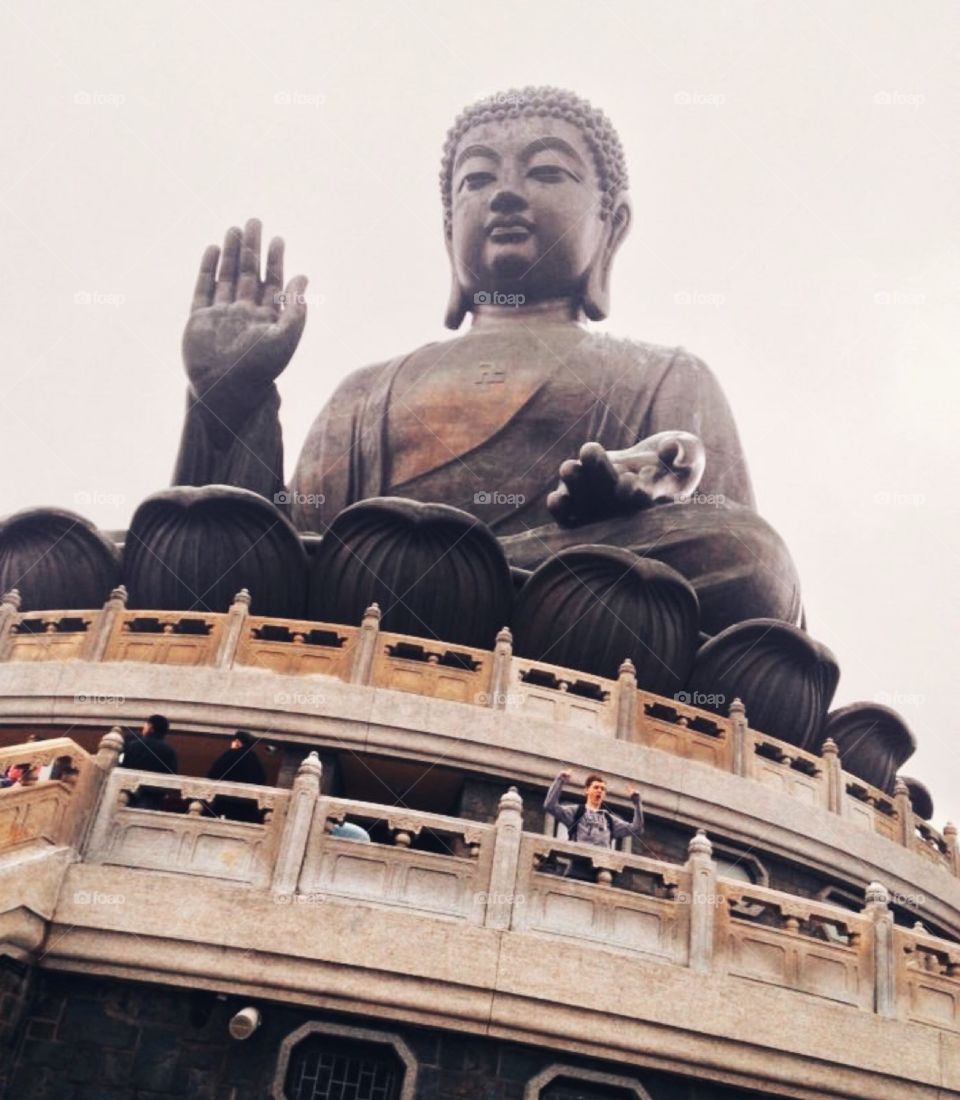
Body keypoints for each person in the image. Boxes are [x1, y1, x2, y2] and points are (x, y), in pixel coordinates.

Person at [172, 86, 801, 636]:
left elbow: (737, 569)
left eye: (547, 172)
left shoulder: (665, 372)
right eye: (477, 179)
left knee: (753, 554)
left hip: (569, 606)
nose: (504, 194)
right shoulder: (365, 393)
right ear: (450, 230)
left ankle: (472, 572)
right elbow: (268, 558)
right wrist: (231, 396)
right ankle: (473, 572)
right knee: (183, 542)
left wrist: (646, 501)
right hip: (382, 595)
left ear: (612, 225)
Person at [544, 769, 644, 850]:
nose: (599, 791)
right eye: (596, 787)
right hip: (577, 864)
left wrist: (637, 802)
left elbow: (637, 828)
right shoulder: (577, 811)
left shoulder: (609, 819)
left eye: (602, 789)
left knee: (605, 876)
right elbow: (550, 806)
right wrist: (560, 780)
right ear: (586, 790)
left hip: (601, 867)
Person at [206, 730, 267, 823]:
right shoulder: (255, 759)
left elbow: (213, 774)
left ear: (237, 742)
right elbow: (262, 779)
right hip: (247, 808)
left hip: (225, 804)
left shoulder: (230, 755)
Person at [120, 715, 179, 810]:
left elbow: (122, 766)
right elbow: (172, 776)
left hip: (129, 795)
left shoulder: (133, 745)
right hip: (153, 800)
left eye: (146, 725)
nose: (144, 727)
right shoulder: (170, 751)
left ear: (150, 727)